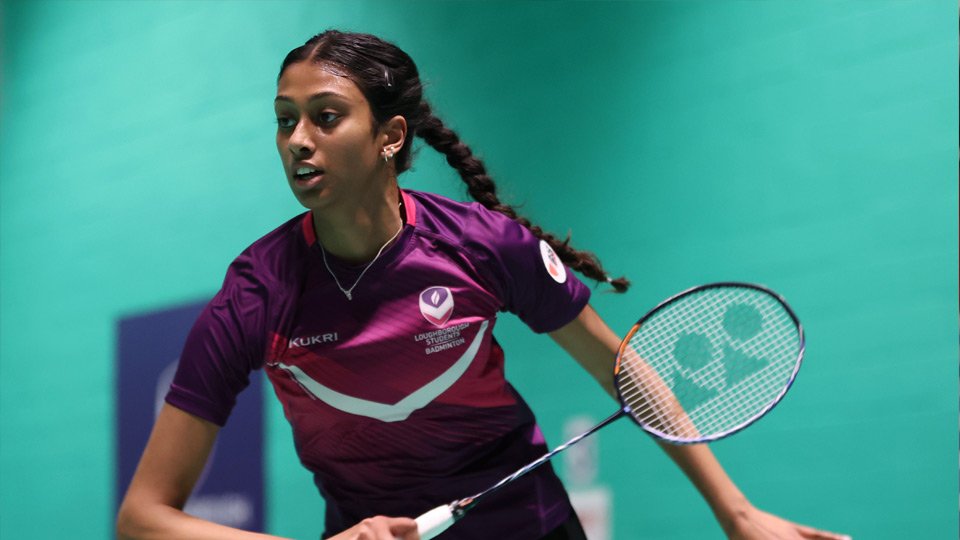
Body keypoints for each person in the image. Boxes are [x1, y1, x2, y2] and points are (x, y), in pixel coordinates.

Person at [117, 30, 849, 540]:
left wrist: (735, 511)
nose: (298, 141)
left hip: (529, 529)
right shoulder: (257, 293)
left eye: (325, 116)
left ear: (390, 135)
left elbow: (623, 369)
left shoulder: (480, 245)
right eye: (284, 122)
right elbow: (145, 517)